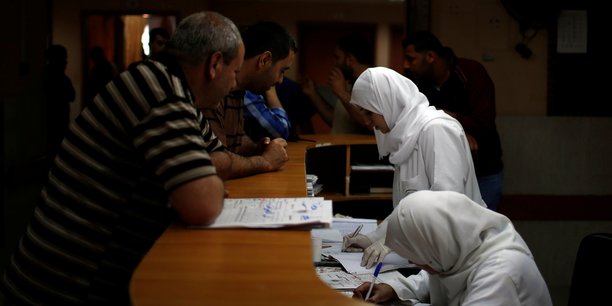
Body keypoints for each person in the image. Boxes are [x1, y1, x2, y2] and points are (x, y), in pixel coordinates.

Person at [1, 11, 244, 305]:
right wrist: (209, 182)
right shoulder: (161, 92)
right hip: (65, 287)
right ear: (215, 64)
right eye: (235, 72)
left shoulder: (169, 88)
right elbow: (202, 204)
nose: (234, 83)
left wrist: (203, 176)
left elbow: (216, 158)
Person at [342, 67, 485, 269]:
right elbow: (405, 212)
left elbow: (447, 207)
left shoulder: (437, 129)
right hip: (431, 260)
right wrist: (372, 238)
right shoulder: (404, 137)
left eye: (369, 112)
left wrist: (395, 243)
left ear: (387, 102)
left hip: (463, 258)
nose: (367, 122)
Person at [353, 190, 553, 306]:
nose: (414, 264)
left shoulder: (500, 273)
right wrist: (394, 289)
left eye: (416, 258)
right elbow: (436, 278)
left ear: (437, 248)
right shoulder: (462, 248)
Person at [402, 30, 504, 211]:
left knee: (480, 232)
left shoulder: (470, 72)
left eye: (411, 59)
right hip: (439, 173)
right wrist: (459, 131)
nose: (406, 65)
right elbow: (411, 121)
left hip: (483, 170)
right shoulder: (415, 82)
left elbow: (485, 123)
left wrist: (449, 121)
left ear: (431, 56)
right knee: (445, 231)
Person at [203, 20, 295, 172]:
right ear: (264, 60)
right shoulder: (216, 88)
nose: (280, 80)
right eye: (282, 70)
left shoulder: (239, 91)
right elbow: (216, 160)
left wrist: (256, 148)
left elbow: (235, 140)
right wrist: (265, 161)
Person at [301, 33, 374, 134]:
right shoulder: (349, 85)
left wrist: (341, 92)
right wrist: (313, 94)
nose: (334, 63)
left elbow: (368, 122)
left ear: (350, 60)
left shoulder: (373, 84)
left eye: (337, 57)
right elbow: (338, 122)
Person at [43, 44, 76, 161]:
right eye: (64, 58)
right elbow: (72, 96)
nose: (66, 62)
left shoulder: (44, 75)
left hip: (52, 119)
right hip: (56, 119)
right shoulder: (61, 78)